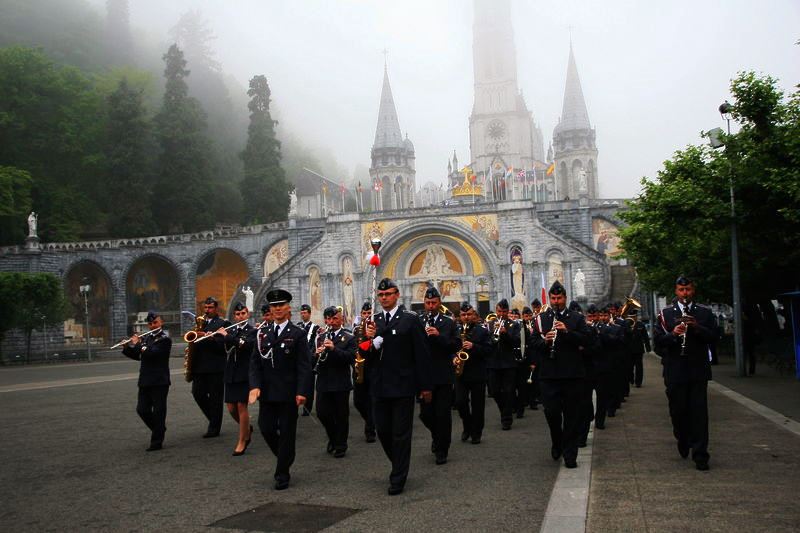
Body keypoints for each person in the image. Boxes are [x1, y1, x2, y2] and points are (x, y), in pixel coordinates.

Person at [362, 278, 432, 495]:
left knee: (401, 433)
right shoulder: (373, 322)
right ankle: (399, 463)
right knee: (383, 430)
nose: (384, 298)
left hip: (403, 385)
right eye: (381, 295)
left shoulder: (410, 320)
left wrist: (425, 386)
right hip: (379, 385)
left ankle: (398, 476)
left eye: (388, 294)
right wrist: (370, 341)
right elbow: (365, 354)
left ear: (397, 295)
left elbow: (422, 355)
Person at [249, 289, 313, 490]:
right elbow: (255, 364)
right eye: (274, 306)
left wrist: (302, 391)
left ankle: (282, 473)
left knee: (286, 432)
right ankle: (286, 456)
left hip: (288, 392)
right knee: (266, 428)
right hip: (267, 393)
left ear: (288, 308)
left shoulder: (297, 334)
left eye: (281, 305)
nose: (277, 309)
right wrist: (255, 386)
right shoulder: (262, 333)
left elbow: (304, 366)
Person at [654, 276, 717, 471]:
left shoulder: (704, 313)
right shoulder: (665, 314)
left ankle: (700, 454)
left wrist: (696, 327)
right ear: (676, 291)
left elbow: (714, 337)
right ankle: (682, 437)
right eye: (681, 290)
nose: (685, 294)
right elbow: (657, 344)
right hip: (675, 371)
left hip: (698, 370)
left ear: (693, 290)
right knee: (678, 411)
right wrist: (673, 334)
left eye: (688, 289)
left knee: (699, 413)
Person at [531, 281, 592, 469]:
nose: (556, 301)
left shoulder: (576, 318)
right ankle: (557, 440)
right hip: (549, 375)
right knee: (552, 413)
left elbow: (586, 340)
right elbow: (533, 344)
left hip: (572, 375)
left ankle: (570, 453)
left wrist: (566, 332)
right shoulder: (541, 319)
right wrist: (546, 342)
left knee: (572, 415)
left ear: (565, 298)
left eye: (559, 298)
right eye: (553, 298)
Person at [418, 287, 461, 465]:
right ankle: (437, 436)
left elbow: (456, 345)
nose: (430, 306)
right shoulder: (418, 321)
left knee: (442, 414)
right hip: (425, 375)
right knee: (426, 414)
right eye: (427, 303)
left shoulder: (448, 322)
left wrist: (439, 336)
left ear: (439, 303)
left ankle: (442, 449)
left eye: (433, 303)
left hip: (443, 375)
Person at [122, 311, 172, 451]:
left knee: (158, 411)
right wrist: (126, 348)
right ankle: (159, 429)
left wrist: (138, 344)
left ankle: (156, 442)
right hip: (145, 380)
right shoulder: (147, 338)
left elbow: (152, 353)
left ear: (161, 322)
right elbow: (139, 356)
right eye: (150, 323)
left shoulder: (164, 339)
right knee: (142, 410)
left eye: (155, 322)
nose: (152, 325)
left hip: (159, 381)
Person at [314, 306, 356, 458]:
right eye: (328, 319)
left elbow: (350, 358)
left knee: (341, 415)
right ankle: (333, 437)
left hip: (340, 382)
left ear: (341, 319)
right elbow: (312, 360)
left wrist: (334, 349)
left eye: (334, 319)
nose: (331, 322)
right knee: (322, 413)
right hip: (324, 381)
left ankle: (341, 445)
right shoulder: (320, 337)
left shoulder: (349, 337)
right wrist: (316, 354)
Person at [191, 297, 230, 438]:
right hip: (199, 367)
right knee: (197, 394)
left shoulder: (223, 323)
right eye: (205, 308)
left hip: (216, 367)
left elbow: (224, 345)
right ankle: (214, 419)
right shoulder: (199, 323)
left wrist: (210, 338)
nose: (207, 310)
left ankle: (214, 427)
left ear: (216, 308)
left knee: (215, 399)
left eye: (210, 308)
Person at [220, 302, 255, 456]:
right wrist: (213, 336)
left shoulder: (252, 331)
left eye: (243, 313)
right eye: (237, 314)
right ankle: (246, 427)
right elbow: (224, 347)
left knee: (241, 406)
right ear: (234, 316)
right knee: (231, 408)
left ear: (247, 314)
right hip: (231, 372)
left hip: (244, 373)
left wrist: (227, 336)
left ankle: (242, 441)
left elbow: (244, 345)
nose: (240, 316)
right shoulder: (231, 329)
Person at [455, 302, 492, 444]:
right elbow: (451, 347)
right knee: (460, 402)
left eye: (469, 314)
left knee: (478, 405)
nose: (466, 317)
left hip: (477, 373)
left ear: (474, 315)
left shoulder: (482, 331)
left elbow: (488, 350)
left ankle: (476, 432)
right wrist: (453, 358)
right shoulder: (456, 330)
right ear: (460, 316)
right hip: (461, 373)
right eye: (463, 315)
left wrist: (474, 346)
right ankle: (467, 425)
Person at [486, 299, 521, 430]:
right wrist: (493, 334)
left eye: (504, 311)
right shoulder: (490, 324)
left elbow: (516, 342)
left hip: (508, 363)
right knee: (495, 391)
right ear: (496, 311)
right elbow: (488, 343)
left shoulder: (514, 325)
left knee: (508, 391)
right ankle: (504, 410)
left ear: (508, 311)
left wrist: (505, 333)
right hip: (493, 363)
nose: (501, 314)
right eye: (499, 311)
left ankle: (506, 418)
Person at [352, 302, 376, 442]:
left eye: (369, 313)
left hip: (372, 368)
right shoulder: (356, 329)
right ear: (361, 314)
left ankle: (370, 429)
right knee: (358, 401)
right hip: (359, 367)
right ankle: (371, 419)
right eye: (364, 313)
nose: (366, 316)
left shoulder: (376, 327)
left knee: (371, 400)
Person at [297, 304, 321, 414]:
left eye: (305, 312)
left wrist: (311, 355)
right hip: (299, 359)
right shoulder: (298, 326)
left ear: (309, 314)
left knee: (309, 385)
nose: (303, 315)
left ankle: (308, 407)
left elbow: (315, 343)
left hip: (309, 360)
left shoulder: (315, 328)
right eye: (301, 313)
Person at [628, 310, 651, 387]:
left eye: (633, 317)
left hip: (638, 349)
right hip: (629, 349)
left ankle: (638, 382)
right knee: (629, 367)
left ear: (636, 317)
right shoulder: (627, 325)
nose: (632, 318)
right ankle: (631, 379)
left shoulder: (640, 325)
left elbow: (645, 337)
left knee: (639, 367)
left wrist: (648, 348)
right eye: (631, 317)